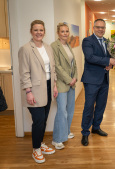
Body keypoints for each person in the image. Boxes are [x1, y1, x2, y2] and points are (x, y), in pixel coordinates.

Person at [18, 20, 58, 163]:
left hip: (47, 87)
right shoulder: (26, 49)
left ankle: (40, 144)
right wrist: (28, 91)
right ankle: (36, 149)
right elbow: (24, 73)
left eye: (41, 30)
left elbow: (52, 68)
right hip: (34, 89)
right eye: (36, 30)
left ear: (44, 31)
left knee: (45, 118)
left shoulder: (48, 47)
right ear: (31, 31)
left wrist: (54, 85)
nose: (38, 32)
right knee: (39, 120)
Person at [80, 19, 115, 146]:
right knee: (89, 106)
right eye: (98, 27)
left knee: (101, 105)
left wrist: (110, 66)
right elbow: (90, 57)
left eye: (103, 27)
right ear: (93, 28)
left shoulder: (107, 42)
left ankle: (96, 127)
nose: (101, 29)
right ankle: (85, 132)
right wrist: (108, 61)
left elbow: (110, 59)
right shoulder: (87, 41)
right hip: (91, 80)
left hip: (104, 79)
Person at [51, 23, 78, 150]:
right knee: (62, 111)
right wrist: (69, 80)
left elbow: (74, 64)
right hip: (62, 83)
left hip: (71, 82)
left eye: (67, 31)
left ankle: (66, 132)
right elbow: (57, 66)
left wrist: (75, 77)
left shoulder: (68, 45)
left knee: (70, 109)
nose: (65, 33)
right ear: (58, 33)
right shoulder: (54, 46)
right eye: (62, 31)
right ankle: (57, 139)